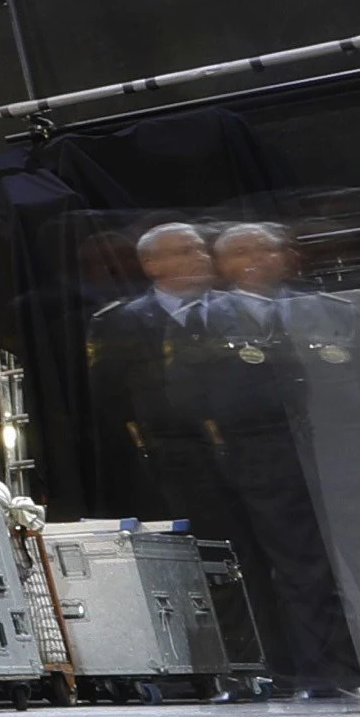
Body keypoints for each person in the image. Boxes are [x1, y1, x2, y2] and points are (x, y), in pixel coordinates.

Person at [194, 223, 360, 696]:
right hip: (263, 453)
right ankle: (328, 671)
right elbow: (195, 395)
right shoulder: (204, 320)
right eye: (238, 251)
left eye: (263, 249)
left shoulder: (331, 309)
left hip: (342, 447)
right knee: (299, 565)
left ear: (288, 257)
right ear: (219, 265)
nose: (252, 258)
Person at [85, 222, 227, 521]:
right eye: (186, 251)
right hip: (176, 452)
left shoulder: (235, 309)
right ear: (152, 264)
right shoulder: (120, 322)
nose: (201, 257)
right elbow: (109, 394)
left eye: (202, 249)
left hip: (251, 444)